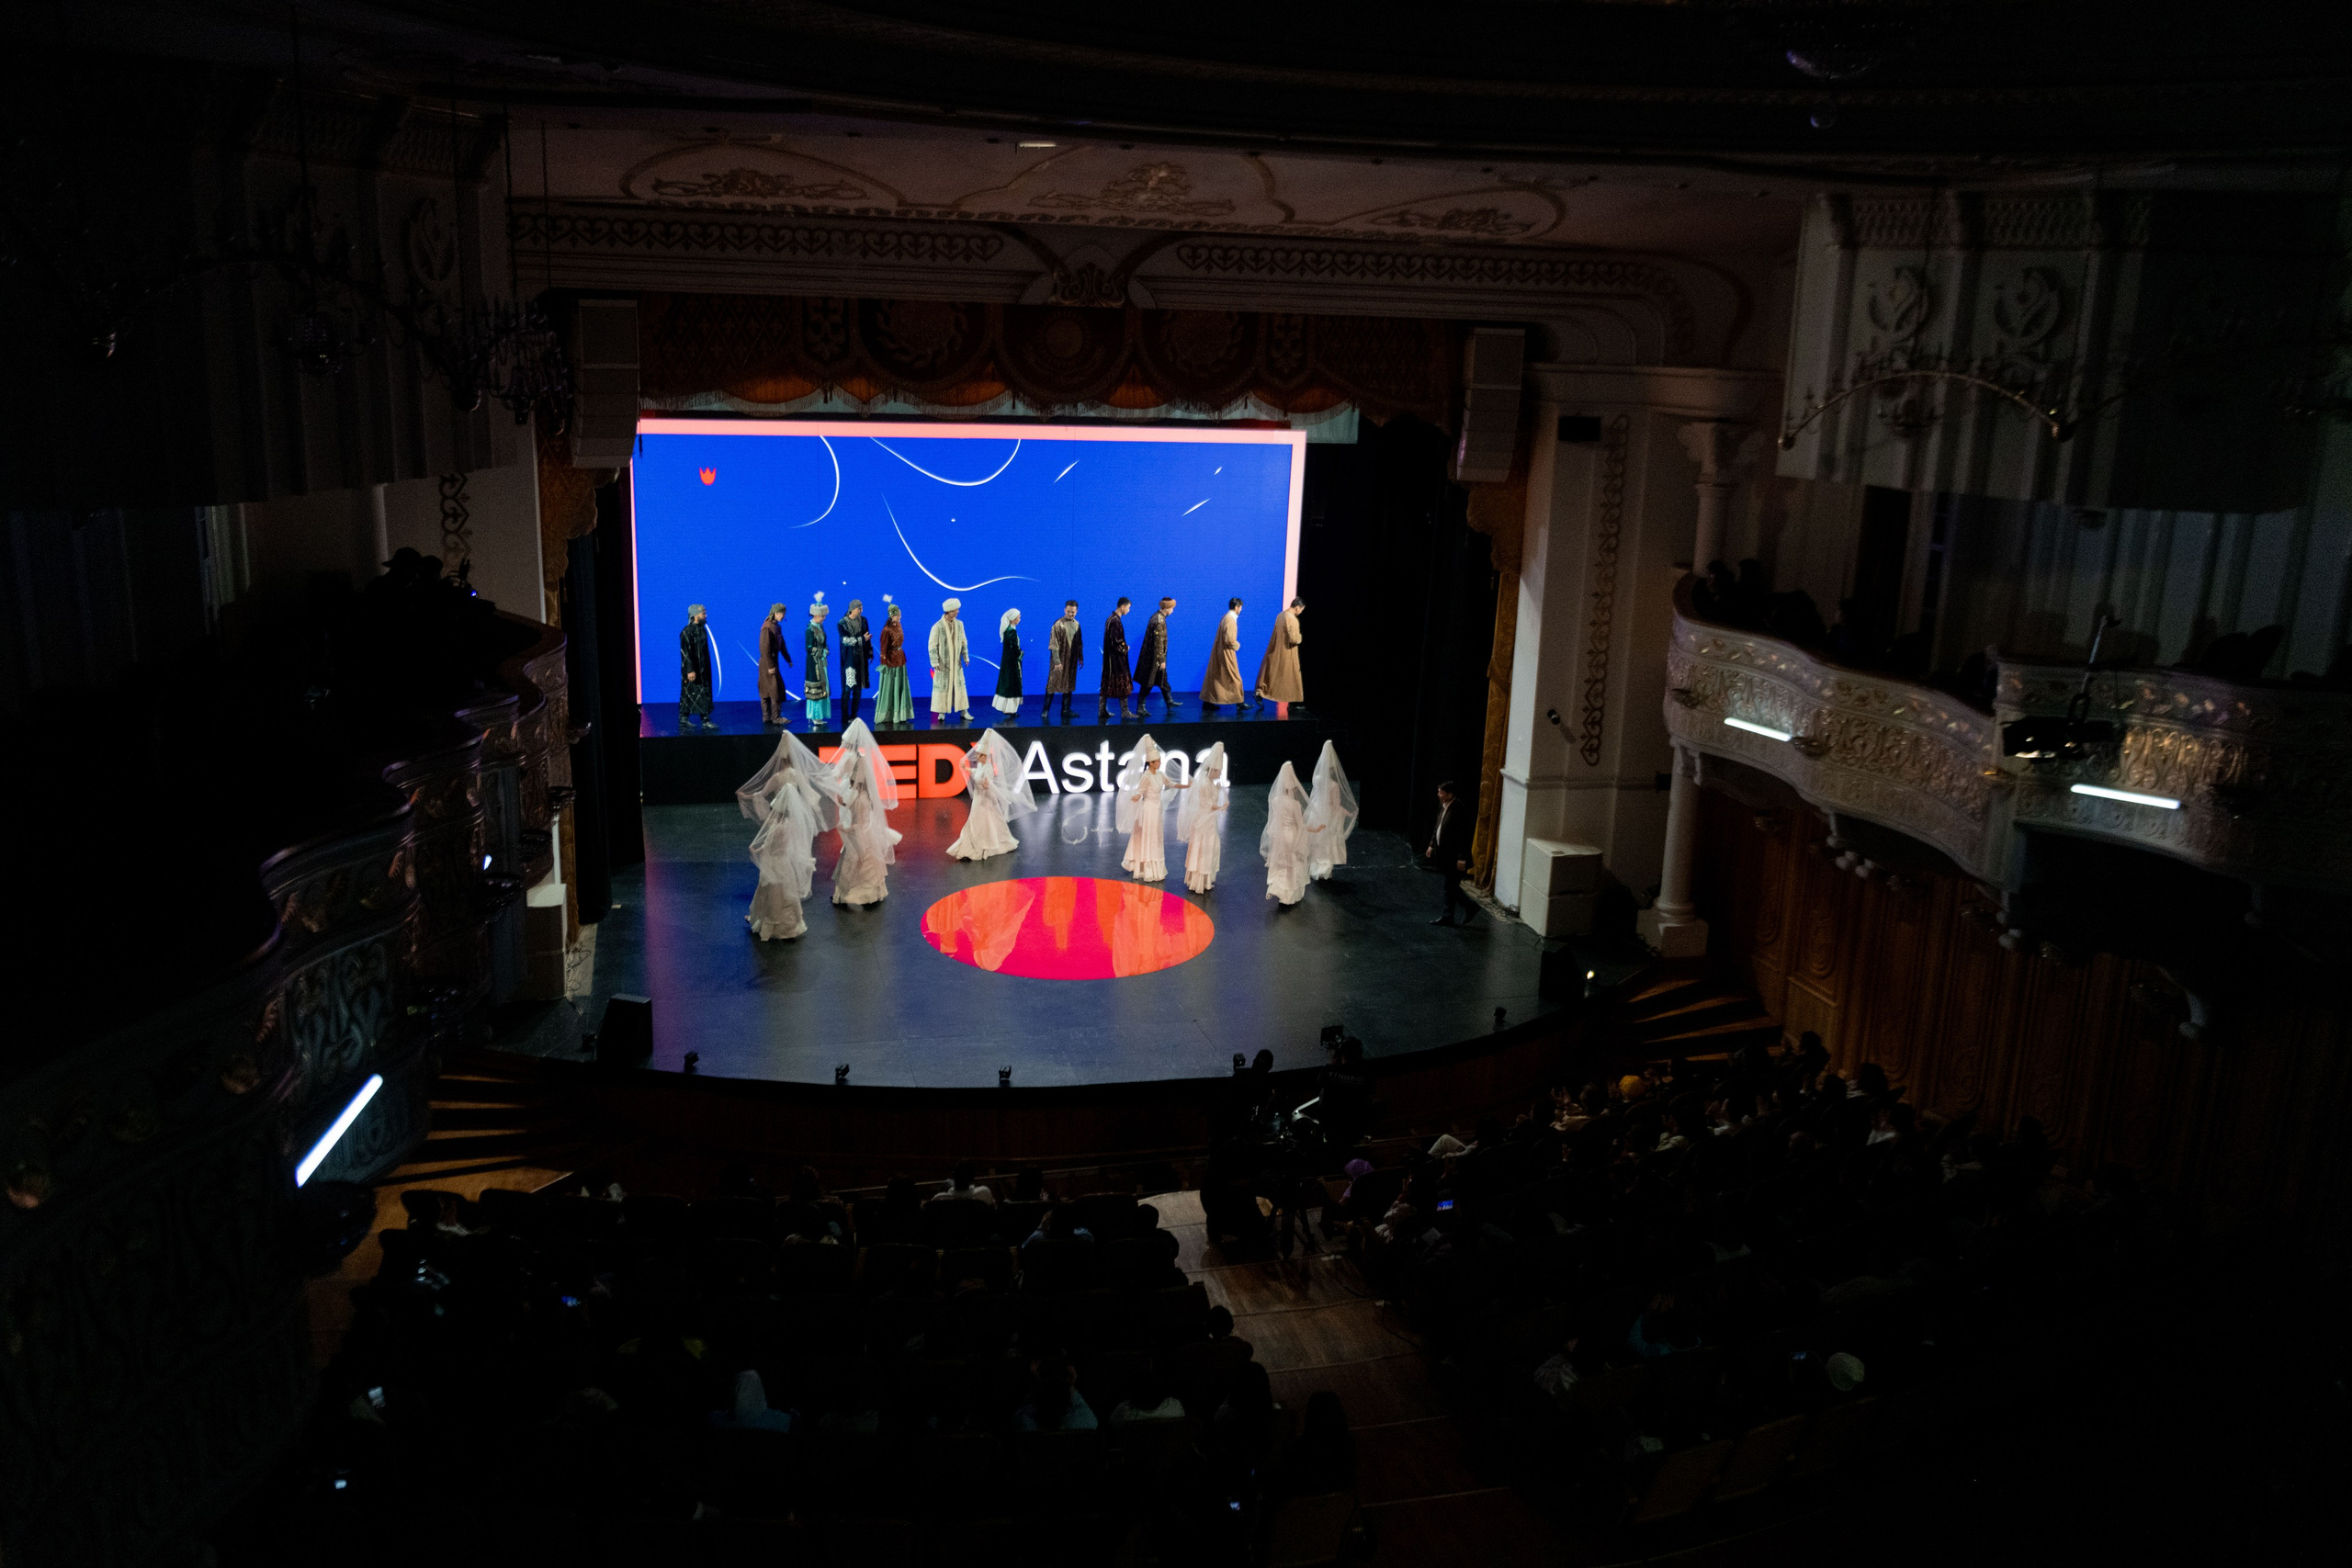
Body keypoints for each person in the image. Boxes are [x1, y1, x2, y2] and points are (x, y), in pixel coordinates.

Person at [737, 728, 837, 942]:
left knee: (773, 871)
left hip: (779, 819)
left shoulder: (778, 777)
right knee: (789, 859)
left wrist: (745, 796)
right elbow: (810, 796)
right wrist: (812, 814)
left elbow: (761, 795)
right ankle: (783, 916)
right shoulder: (797, 775)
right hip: (794, 818)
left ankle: (764, 916)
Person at [830, 718, 902, 906]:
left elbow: (836, 775)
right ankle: (871, 890)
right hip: (858, 813)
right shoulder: (861, 760)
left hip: (852, 807)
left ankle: (851, 892)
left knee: (854, 852)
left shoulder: (848, 759)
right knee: (866, 853)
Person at [946, 728, 1034, 861]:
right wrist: (966, 768)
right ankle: (973, 846)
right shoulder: (981, 766)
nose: (976, 756)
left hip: (984, 800)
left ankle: (982, 846)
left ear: (986, 756)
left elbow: (989, 784)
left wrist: (986, 786)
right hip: (979, 798)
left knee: (982, 821)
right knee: (981, 822)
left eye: (979, 755)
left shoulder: (988, 768)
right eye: (977, 754)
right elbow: (976, 773)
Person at [1261, 761, 1324, 906]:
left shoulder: (1276, 800)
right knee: (1293, 863)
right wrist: (1315, 829)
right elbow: (1300, 825)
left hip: (1279, 835)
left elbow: (1274, 821)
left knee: (1282, 864)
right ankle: (1289, 895)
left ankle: (1278, 889)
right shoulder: (1295, 805)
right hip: (1290, 836)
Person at [1177, 740, 1230, 894]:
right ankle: (1200, 880)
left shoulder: (1210, 784)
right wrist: (1220, 807)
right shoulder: (1206, 785)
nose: (1220, 773)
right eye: (1218, 771)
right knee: (1205, 848)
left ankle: (1202, 879)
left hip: (1207, 820)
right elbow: (1208, 805)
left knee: (1206, 847)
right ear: (1212, 770)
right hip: (1204, 820)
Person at [1305, 740, 1359, 881]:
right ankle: (1325, 870)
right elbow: (1336, 805)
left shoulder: (1316, 779)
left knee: (1317, 840)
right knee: (1328, 840)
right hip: (1328, 814)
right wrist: (1348, 813)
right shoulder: (1334, 785)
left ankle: (1315, 867)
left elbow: (1315, 795)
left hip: (1316, 812)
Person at [1424, 778, 1476, 926]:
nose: (1438, 795)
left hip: (1455, 858)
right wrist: (1432, 845)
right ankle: (1448, 916)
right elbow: (1438, 827)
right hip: (1445, 856)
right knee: (1450, 887)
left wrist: (1462, 858)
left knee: (1450, 887)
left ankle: (1470, 907)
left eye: (1441, 792)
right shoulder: (1443, 806)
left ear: (1450, 794)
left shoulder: (1459, 810)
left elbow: (1464, 837)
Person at [1117, 734, 1169, 882]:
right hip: (1149, 809)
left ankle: (1149, 865)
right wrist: (1137, 796)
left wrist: (1184, 785)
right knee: (1148, 836)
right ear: (1150, 763)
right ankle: (1146, 866)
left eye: (1159, 761)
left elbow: (1169, 783)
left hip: (1156, 808)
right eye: (1156, 761)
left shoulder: (1159, 774)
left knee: (1155, 836)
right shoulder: (1146, 776)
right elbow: (1141, 790)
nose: (1159, 763)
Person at [1251, 597, 1305, 713]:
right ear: (1297, 608)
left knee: (1274, 675)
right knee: (1291, 677)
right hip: (1288, 653)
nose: (1301, 612)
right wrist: (1300, 638)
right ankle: (1293, 703)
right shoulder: (1292, 619)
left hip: (1277, 650)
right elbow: (1294, 639)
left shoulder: (1281, 615)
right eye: (1301, 610)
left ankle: (1260, 692)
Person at [710, 1370, 794, 1433]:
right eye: (738, 1388)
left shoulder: (716, 1420)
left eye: (742, 1389)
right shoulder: (779, 1421)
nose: (740, 1393)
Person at [929, 599, 971, 723]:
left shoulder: (959, 624)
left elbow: (964, 641)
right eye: (956, 610)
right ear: (950, 611)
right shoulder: (937, 626)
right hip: (943, 665)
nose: (958, 612)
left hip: (956, 664)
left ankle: (964, 711)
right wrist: (935, 662)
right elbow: (932, 645)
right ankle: (941, 711)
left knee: (959, 687)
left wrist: (966, 657)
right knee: (943, 687)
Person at [1199, 597, 1244, 715]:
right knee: (1234, 677)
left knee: (1215, 676)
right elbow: (1230, 640)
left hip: (1219, 651)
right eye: (1240, 607)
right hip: (1226, 653)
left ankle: (1208, 702)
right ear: (1236, 607)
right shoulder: (1230, 619)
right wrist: (1237, 645)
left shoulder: (1225, 617)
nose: (1241, 610)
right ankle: (1240, 703)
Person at [1134, 596, 1176, 716]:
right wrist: (1162, 660)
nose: (1172, 610)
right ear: (1167, 608)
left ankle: (1169, 701)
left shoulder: (1159, 617)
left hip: (1155, 658)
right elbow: (1158, 642)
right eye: (1172, 608)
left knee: (1162, 678)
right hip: (1153, 659)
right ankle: (1140, 707)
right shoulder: (1158, 621)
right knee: (1148, 682)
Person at [679, 604, 717, 731]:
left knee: (700, 693)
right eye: (703, 613)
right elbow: (685, 653)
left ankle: (691, 719)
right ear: (696, 616)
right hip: (692, 671)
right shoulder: (687, 632)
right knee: (690, 693)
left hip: (703, 670)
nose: (705, 615)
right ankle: (701, 720)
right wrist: (690, 670)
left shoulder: (701, 630)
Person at [874, 603, 913, 725]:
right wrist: (883, 663)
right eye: (898, 615)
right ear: (892, 616)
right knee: (891, 686)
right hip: (891, 662)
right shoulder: (886, 630)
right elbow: (883, 648)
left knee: (900, 685)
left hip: (900, 659)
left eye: (900, 614)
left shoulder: (899, 625)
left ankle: (901, 714)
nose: (900, 616)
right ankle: (890, 714)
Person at [756, 602, 793, 727]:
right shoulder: (767, 627)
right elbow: (764, 649)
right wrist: (770, 666)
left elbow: (781, 645)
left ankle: (768, 717)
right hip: (767, 664)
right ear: (776, 613)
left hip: (772, 663)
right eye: (782, 614)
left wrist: (788, 659)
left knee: (770, 690)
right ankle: (773, 717)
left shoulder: (776, 627)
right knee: (772, 690)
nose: (783, 616)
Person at [1100, 597, 1136, 720]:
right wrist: (1125, 648)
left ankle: (1102, 710)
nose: (1129, 610)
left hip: (1109, 659)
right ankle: (1125, 711)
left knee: (1106, 683)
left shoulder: (1111, 619)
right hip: (1115, 660)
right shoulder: (1115, 621)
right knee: (1122, 683)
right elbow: (1116, 641)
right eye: (1128, 608)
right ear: (1123, 607)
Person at [838, 598, 872, 724]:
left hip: (861, 660)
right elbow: (846, 641)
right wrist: (862, 640)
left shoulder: (863, 620)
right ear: (852, 609)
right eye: (859, 608)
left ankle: (854, 715)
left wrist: (869, 652)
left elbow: (867, 636)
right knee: (847, 689)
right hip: (849, 661)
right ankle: (844, 716)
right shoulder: (842, 623)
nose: (861, 610)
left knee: (858, 690)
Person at [803, 596, 832, 728]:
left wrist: (826, 649)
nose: (824, 618)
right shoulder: (810, 630)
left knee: (823, 687)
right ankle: (815, 716)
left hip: (822, 663)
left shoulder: (821, 628)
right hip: (814, 663)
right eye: (822, 616)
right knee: (816, 689)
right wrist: (823, 652)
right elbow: (809, 648)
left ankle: (820, 716)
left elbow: (824, 643)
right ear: (816, 615)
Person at [992, 608, 1024, 722]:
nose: (1019, 620)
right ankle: (1011, 709)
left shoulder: (1007, 630)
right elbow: (1014, 648)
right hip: (1012, 663)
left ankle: (1007, 708)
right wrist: (1020, 654)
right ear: (1013, 619)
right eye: (1018, 618)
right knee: (1013, 685)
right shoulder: (1012, 631)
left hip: (1007, 662)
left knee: (1007, 684)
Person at [931, 1161, 996, 1206]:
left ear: (953, 1175)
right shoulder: (984, 1192)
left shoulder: (939, 1199)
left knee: (947, 1182)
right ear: (972, 1179)